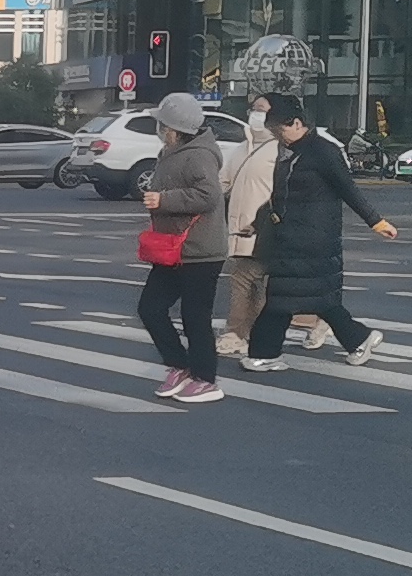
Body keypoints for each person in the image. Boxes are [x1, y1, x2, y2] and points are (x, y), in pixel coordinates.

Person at [240, 97, 398, 371]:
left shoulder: (324, 152)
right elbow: (280, 196)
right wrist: (257, 222)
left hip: (314, 239)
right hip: (290, 239)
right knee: (315, 299)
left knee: (283, 300)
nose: (278, 136)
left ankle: (264, 354)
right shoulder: (288, 150)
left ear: (297, 123)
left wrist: (376, 222)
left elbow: (349, 190)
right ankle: (358, 339)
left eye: (280, 130)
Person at [133, 90, 228, 402]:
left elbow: (209, 195)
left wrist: (164, 200)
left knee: (195, 317)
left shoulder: (198, 154)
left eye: (162, 125)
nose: (159, 130)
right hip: (173, 248)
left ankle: (206, 379)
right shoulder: (172, 151)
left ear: (173, 129)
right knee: (150, 308)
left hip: (200, 250)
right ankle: (180, 365)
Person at [217, 99, 285, 360]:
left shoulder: (280, 150)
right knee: (257, 286)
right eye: (253, 109)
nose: (256, 115)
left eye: (262, 110)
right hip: (239, 230)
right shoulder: (241, 148)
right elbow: (223, 182)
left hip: (264, 231)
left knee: (245, 280)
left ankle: (236, 333)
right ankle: (315, 319)